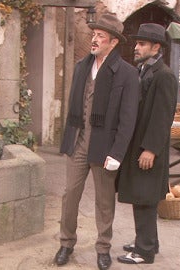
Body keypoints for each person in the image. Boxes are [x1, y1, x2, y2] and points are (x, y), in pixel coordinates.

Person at [54, 13, 140, 270]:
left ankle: (103, 247)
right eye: (94, 34)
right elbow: (73, 106)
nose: (94, 39)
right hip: (79, 141)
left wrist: (118, 152)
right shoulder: (81, 66)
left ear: (113, 42)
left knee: (104, 201)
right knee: (70, 195)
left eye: (100, 36)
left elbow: (128, 118)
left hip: (105, 147)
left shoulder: (126, 73)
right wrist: (68, 139)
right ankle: (66, 243)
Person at [116, 23, 178, 264]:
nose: (136, 47)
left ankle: (144, 251)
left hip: (149, 149)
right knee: (141, 195)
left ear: (156, 47)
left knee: (145, 197)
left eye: (142, 44)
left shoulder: (165, 76)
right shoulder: (144, 70)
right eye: (137, 43)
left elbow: (163, 117)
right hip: (140, 145)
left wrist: (150, 149)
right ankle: (148, 240)